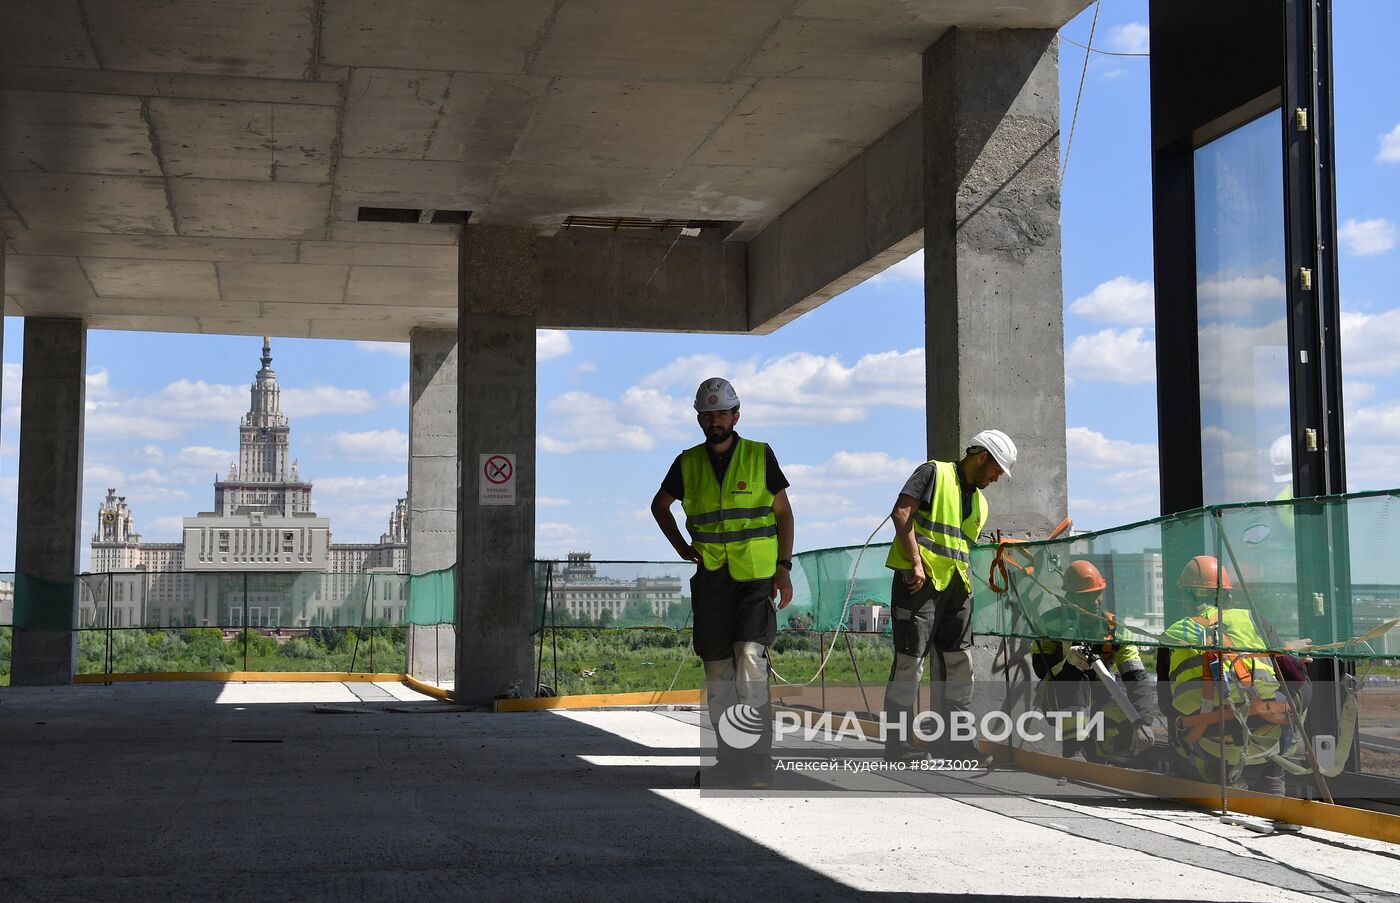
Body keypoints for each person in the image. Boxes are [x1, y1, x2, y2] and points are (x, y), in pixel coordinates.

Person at [651, 377, 795, 788]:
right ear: (700, 419)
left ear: (736, 415)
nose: (714, 420)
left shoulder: (759, 455)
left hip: (755, 579)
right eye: (707, 414)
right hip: (712, 580)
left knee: (749, 662)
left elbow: (783, 514)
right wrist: (681, 546)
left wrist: (783, 568)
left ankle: (757, 763)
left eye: (721, 413)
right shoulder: (687, 462)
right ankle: (730, 761)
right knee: (717, 672)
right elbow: (659, 506)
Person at [881, 429, 1016, 765]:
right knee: (910, 663)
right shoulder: (934, 473)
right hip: (919, 585)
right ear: (982, 457)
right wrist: (915, 563)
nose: (996, 479)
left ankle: (956, 742)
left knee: (959, 665)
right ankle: (897, 746)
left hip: (957, 590)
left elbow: (961, 546)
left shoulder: (981, 503)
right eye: (996, 471)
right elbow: (902, 514)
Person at [1156, 556, 1311, 794]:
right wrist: (1290, 655)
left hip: (1206, 742)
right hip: (1268, 733)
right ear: (1228, 595)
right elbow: (1295, 679)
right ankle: (1273, 772)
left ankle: (1220, 773)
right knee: (1304, 688)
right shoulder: (1253, 620)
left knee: (1183, 710)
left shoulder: (1172, 634)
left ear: (1186, 597)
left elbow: (1166, 705)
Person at [1030, 560, 1155, 762]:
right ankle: (1074, 749)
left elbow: (1136, 676)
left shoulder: (1115, 629)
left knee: (1132, 725)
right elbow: (1040, 668)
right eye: (1087, 596)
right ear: (1069, 598)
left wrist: (1143, 721)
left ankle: (1108, 751)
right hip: (1059, 698)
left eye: (1097, 593)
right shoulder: (1050, 622)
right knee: (1075, 675)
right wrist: (1067, 660)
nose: (1095, 602)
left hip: (1100, 697)